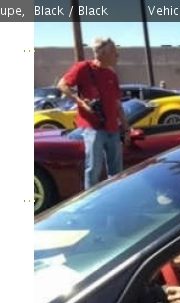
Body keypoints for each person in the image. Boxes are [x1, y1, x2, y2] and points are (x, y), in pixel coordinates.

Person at [57, 37, 128, 191]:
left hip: (113, 128)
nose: (117, 55)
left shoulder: (112, 75)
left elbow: (117, 104)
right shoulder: (83, 68)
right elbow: (62, 85)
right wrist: (80, 102)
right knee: (93, 169)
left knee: (117, 171)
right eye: (114, 52)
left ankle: (114, 197)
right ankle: (91, 204)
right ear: (102, 53)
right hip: (92, 128)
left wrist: (126, 127)